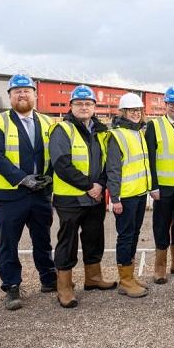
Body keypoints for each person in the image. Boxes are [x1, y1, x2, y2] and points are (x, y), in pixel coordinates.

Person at [0, 74, 56, 310]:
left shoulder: (48, 123)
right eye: (17, 91)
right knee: (8, 243)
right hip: (9, 196)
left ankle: (48, 278)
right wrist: (22, 179)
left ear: (35, 94)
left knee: (43, 240)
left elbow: (55, 155)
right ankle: (12, 287)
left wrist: (49, 177)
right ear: (10, 96)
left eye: (26, 90)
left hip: (40, 194)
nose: (22, 94)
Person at [49, 85, 116, 308]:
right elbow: (61, 165)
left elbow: (107, 163)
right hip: (71, 198)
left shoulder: (100, 132)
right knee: (67, 241)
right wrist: (89, 186)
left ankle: (93, 277)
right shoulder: (63, 130)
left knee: (94, 237)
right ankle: (65, 287)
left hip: (95, 197)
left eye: (88, 104)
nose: (84, 107)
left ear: (95, 107)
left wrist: (101, 185)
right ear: (71, 106)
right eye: (79, 103)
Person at [145, 86, 174, 284]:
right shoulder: (154, 126)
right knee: (161, 226)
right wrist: (153, 186)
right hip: (163, 187)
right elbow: (150, 158)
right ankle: (160, 267)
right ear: (165, 105)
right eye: (171, 104)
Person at [107, 92, 151, 298]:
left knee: (134, 234)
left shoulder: (138, 133)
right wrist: (114, 198)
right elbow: (113, 169)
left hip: (140, 193)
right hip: (125, 196)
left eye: (138, 110)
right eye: (132, 110)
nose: (135, 113)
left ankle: (130, 275)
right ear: (123, 112)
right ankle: (124, 281)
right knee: (125, 237)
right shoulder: (117, 135)